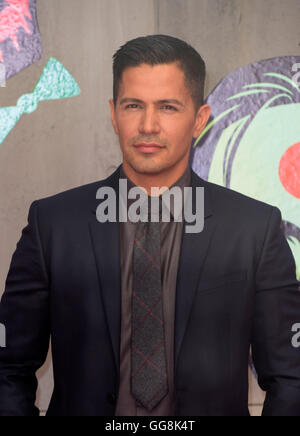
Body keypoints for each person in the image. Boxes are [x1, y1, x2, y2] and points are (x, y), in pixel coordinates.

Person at [0, 34, 300, 417]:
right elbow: (8, 366)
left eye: (168, 107)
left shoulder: (253, 229)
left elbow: (291, 376)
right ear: (113, 114)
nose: (148, 125)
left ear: (200, 119)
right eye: (133, 105)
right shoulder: (53, 225)